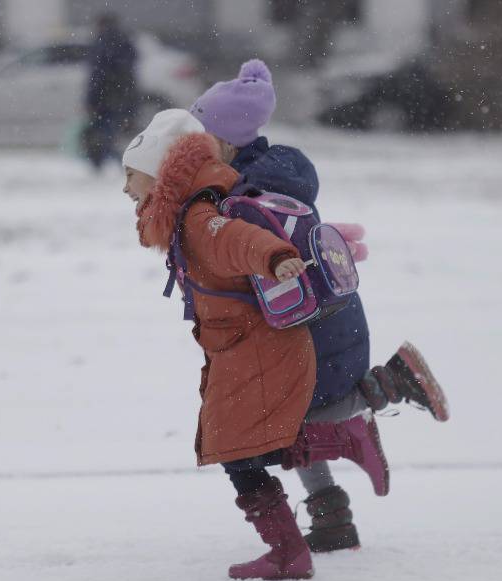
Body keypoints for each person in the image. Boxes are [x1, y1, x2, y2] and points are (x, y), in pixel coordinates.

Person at [189, 60, 449, 553]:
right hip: (317, 314)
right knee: (293, 417)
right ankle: (332, 518)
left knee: (304, 410)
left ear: (224, 140)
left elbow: (251, 257)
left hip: (312, 324)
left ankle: (392, 382)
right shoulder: (270, 177)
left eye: (201, 135)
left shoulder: (250, 194)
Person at [122, 109, 392, 580]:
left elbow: (237, 240)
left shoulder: (199, 218)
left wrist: (276, 257)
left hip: (258, 350)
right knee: (247, 446)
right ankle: (334, 450)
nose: (125, 188)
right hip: (243, 348)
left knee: (234, 448)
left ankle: (290, 547)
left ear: (160, 173)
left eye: (131, 175)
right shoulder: (191, 213)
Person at [83, 12, 137, 171]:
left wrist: (90, 100)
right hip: (123, 95)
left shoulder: (101, 43)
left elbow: (97, 74)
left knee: (103, 133)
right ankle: (119, 161)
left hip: (104, 97)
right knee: (112, 131)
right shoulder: (126, 41)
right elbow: (131, 71)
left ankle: (114, 162)